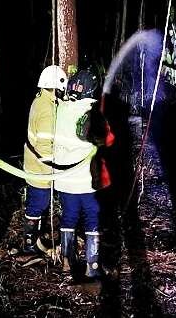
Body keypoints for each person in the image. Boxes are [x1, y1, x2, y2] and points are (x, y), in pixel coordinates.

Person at [54, 68, 107, 280]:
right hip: (85, 182)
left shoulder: (61, 109)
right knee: (92, 219)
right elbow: (104, 139)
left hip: (63, 180)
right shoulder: (91, 114)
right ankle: (92, 266)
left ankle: (67, 261)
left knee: (69, 217)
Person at [22, 65, 67, 254]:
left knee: (37, 202)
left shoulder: (40, 100)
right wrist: (55, 169)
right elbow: (44, 146)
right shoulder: (47, 109)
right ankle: (30, 242)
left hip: (34, 165)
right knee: (38, 204)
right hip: (41, 169)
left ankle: (34, 238)